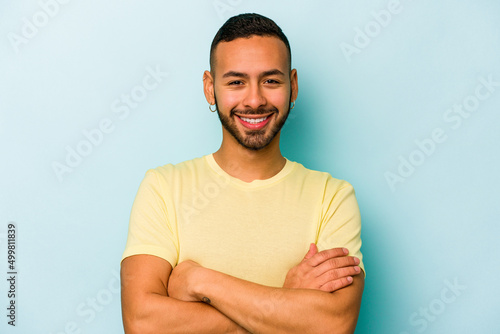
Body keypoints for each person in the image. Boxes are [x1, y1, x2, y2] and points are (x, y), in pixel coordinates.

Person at [121, 13, 365, 334]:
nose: (255, 100)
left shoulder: (331, 196)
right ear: (210, 89)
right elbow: (143, 323)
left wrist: (198, 281)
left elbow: (333, 324)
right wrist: (285, 303)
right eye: (236, 82)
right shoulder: (163, 187)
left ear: (292, 86)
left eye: (271, 81)